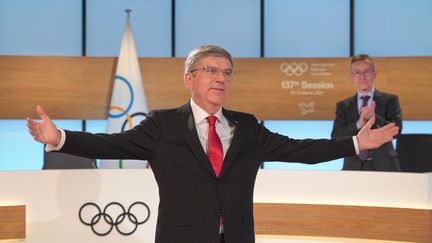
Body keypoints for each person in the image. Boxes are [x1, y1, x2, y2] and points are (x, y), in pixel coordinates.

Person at [27, 45, 399, 243]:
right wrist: (60, 138)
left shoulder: (247, 126)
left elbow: (300, 150)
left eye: (226, 72)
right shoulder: (163, 123)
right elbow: (112, 145)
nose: (220, 78)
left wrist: (353, 142)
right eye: (210, 70)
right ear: (189, 78)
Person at [331, 54, 402, 171]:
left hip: (385, 164)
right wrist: (359, 123)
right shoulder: (343, 105)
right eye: (357, 72)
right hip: (352, 165)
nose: (362, 76)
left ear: (375, 73)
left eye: (367, 72)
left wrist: (374, 118)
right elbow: (336, 136)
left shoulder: (390, 100)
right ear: (351, 76)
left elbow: (397, 131)